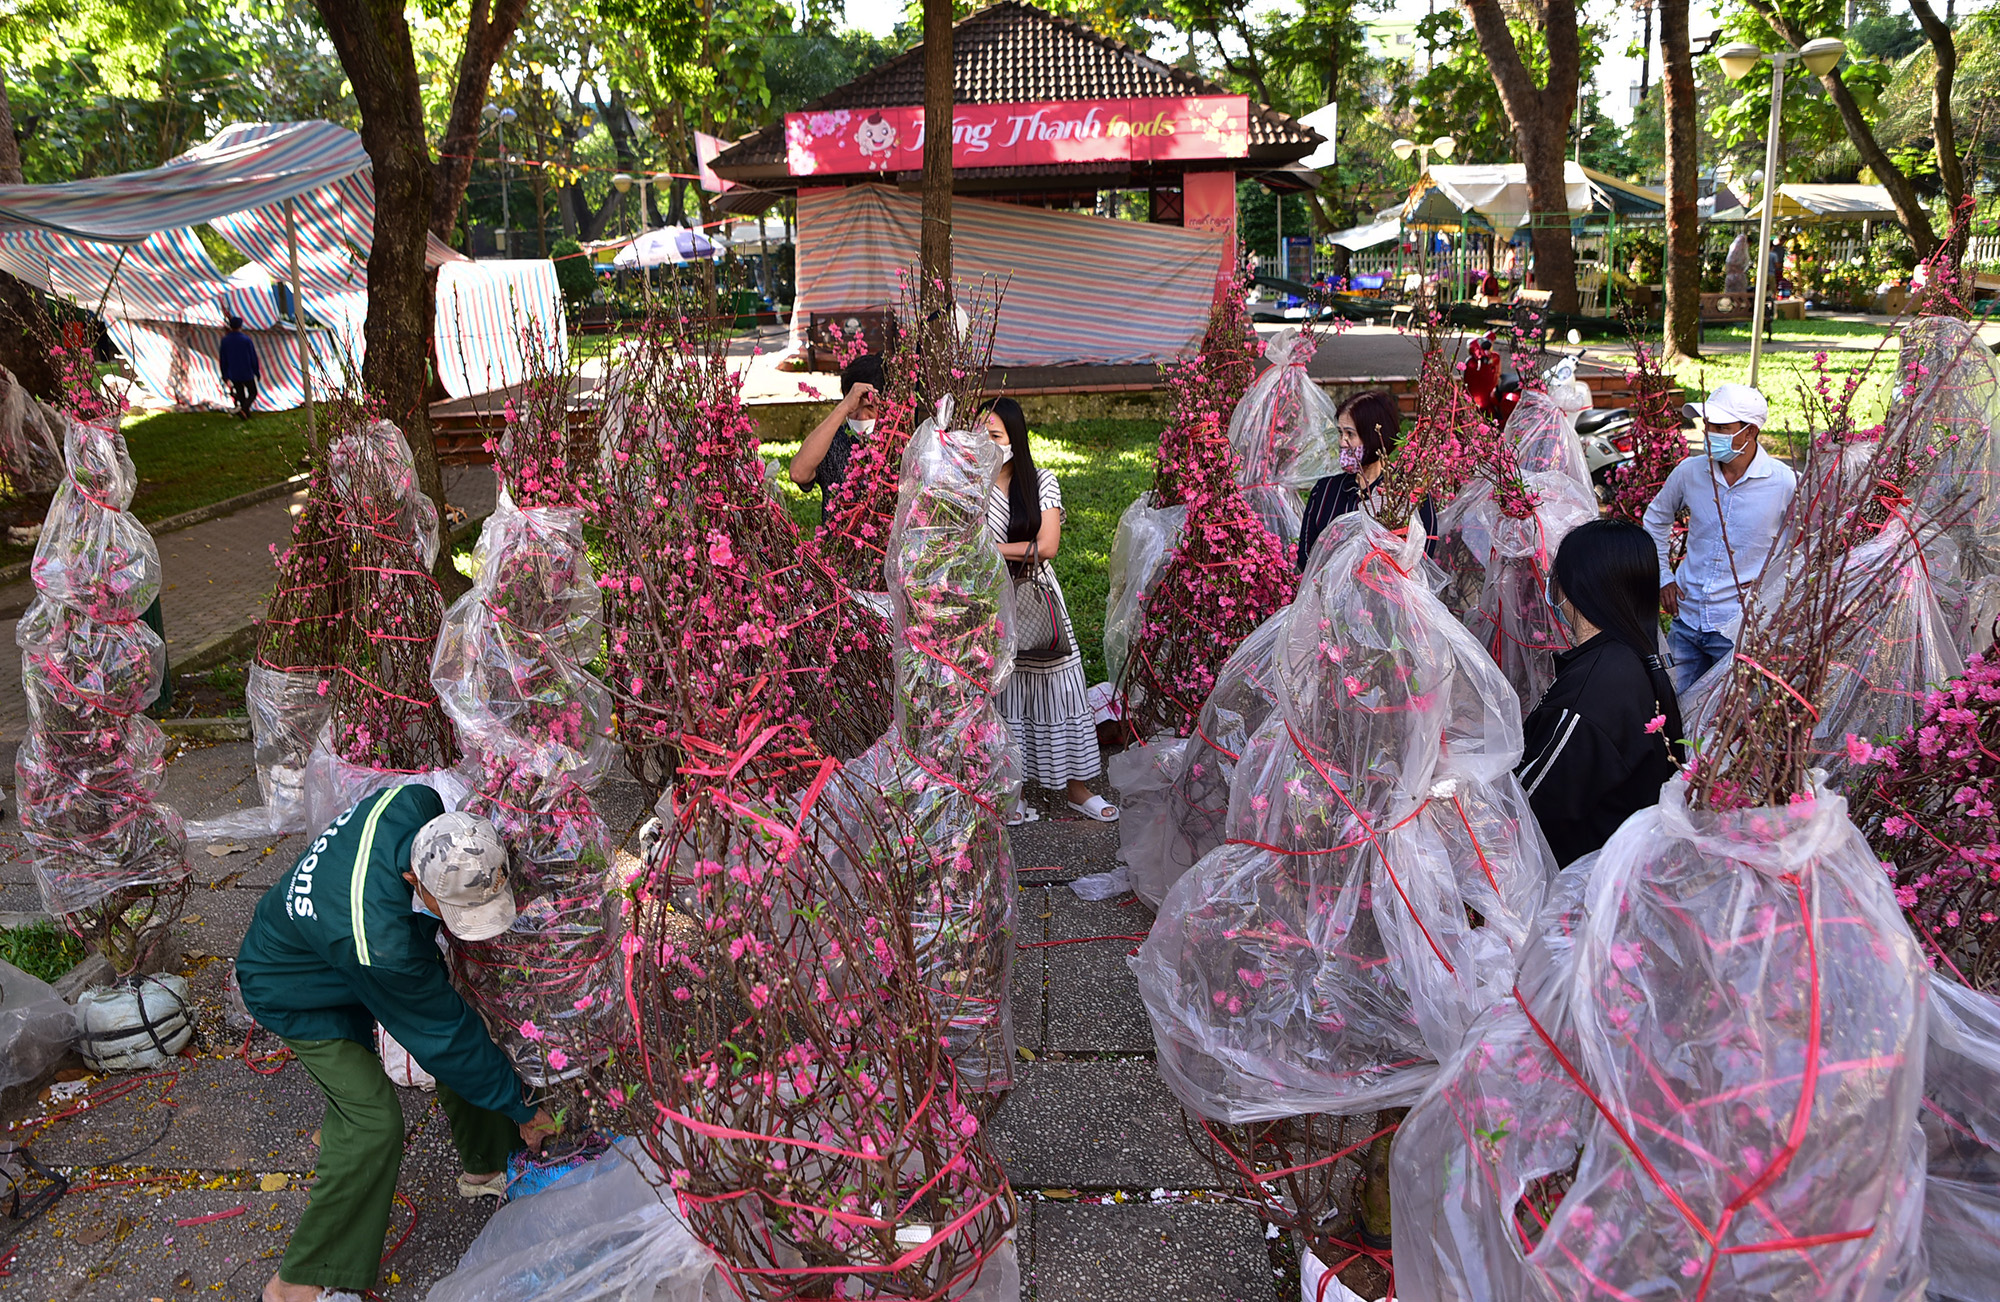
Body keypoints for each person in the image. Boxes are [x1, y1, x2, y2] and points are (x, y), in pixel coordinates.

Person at [237, 791, 556, 1302]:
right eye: (451, 909)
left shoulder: (415, 805)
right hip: (293, 987)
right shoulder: (381, 945)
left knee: (456, 1031)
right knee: (371, 1125)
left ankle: (489, 1163)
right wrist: (522, 1106)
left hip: (330, 943)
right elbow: (443, 1036)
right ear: (414, 882)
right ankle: (293, 1285)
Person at [1517, 519, 1687, 866]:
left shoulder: (1591, 694)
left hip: (1574, 878)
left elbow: (1525, 807)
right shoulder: (1632, 657)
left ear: (1579, 586)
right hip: (1621, 866)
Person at [982, 396, 1116, 823]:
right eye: (981, 436)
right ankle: (1014, 790)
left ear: (1015, 439)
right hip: (992, 601)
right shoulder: (969, 486)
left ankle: (1078, 789)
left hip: (1037, 601)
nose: (987, 445)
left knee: (1061, 687)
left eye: (995, 437)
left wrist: (987, 549)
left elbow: (1049, 546)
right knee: (1008, 696)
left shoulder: (1042, 481)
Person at [1641, 382, 1797, 693]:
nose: (1709, 432)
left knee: (1728, 718)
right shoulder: (1690, 472)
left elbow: (1802, 549)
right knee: (1673, 708)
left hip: (1738, 629)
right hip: (1686, 620)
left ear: (1749, 432)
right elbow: (1656, 519)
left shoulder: (1785, 484)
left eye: (1721, 426)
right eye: (1707, 424)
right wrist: (1663, 576)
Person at [1295, 390, 1437, 571]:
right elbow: (1306, 554)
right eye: (1340, 433)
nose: (1342, 442)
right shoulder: (1325, 491)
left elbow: (1423, 559)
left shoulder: (1407, 495)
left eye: (1350, 434)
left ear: (1373, 437)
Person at [789, 353, 882, 517]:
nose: (861, 418)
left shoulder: (903, 445)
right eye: (854, 410)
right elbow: (799, 472)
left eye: (870, 409)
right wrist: (844, 408)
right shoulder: (834, 441)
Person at [218, 315, 260, 420]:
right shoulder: (246, 340)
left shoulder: (225, 341)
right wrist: (256, 371)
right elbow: (253, 357)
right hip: (247, 371)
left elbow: (223, 359)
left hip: (234, 372)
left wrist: (225, 374)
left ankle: (245, 414)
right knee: (253, 392)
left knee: (240, 393)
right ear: (240, 326)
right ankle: (244, 409)